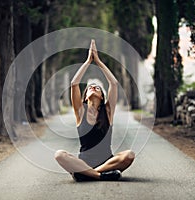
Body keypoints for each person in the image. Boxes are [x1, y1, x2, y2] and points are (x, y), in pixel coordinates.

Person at [54, 39, 135, 181]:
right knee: (59, 154)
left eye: (97, 87)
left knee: (129, 155)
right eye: (90, 87)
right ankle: (99, 176)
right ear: (84, 98)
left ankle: (88, 173)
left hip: (107, 163)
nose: (93, 87)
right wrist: (87, 61)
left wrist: (97, 60)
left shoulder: (107, 112)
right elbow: (74, 83)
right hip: (83, 162)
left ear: (102, 97)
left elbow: (114, 84)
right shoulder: (80, 112)